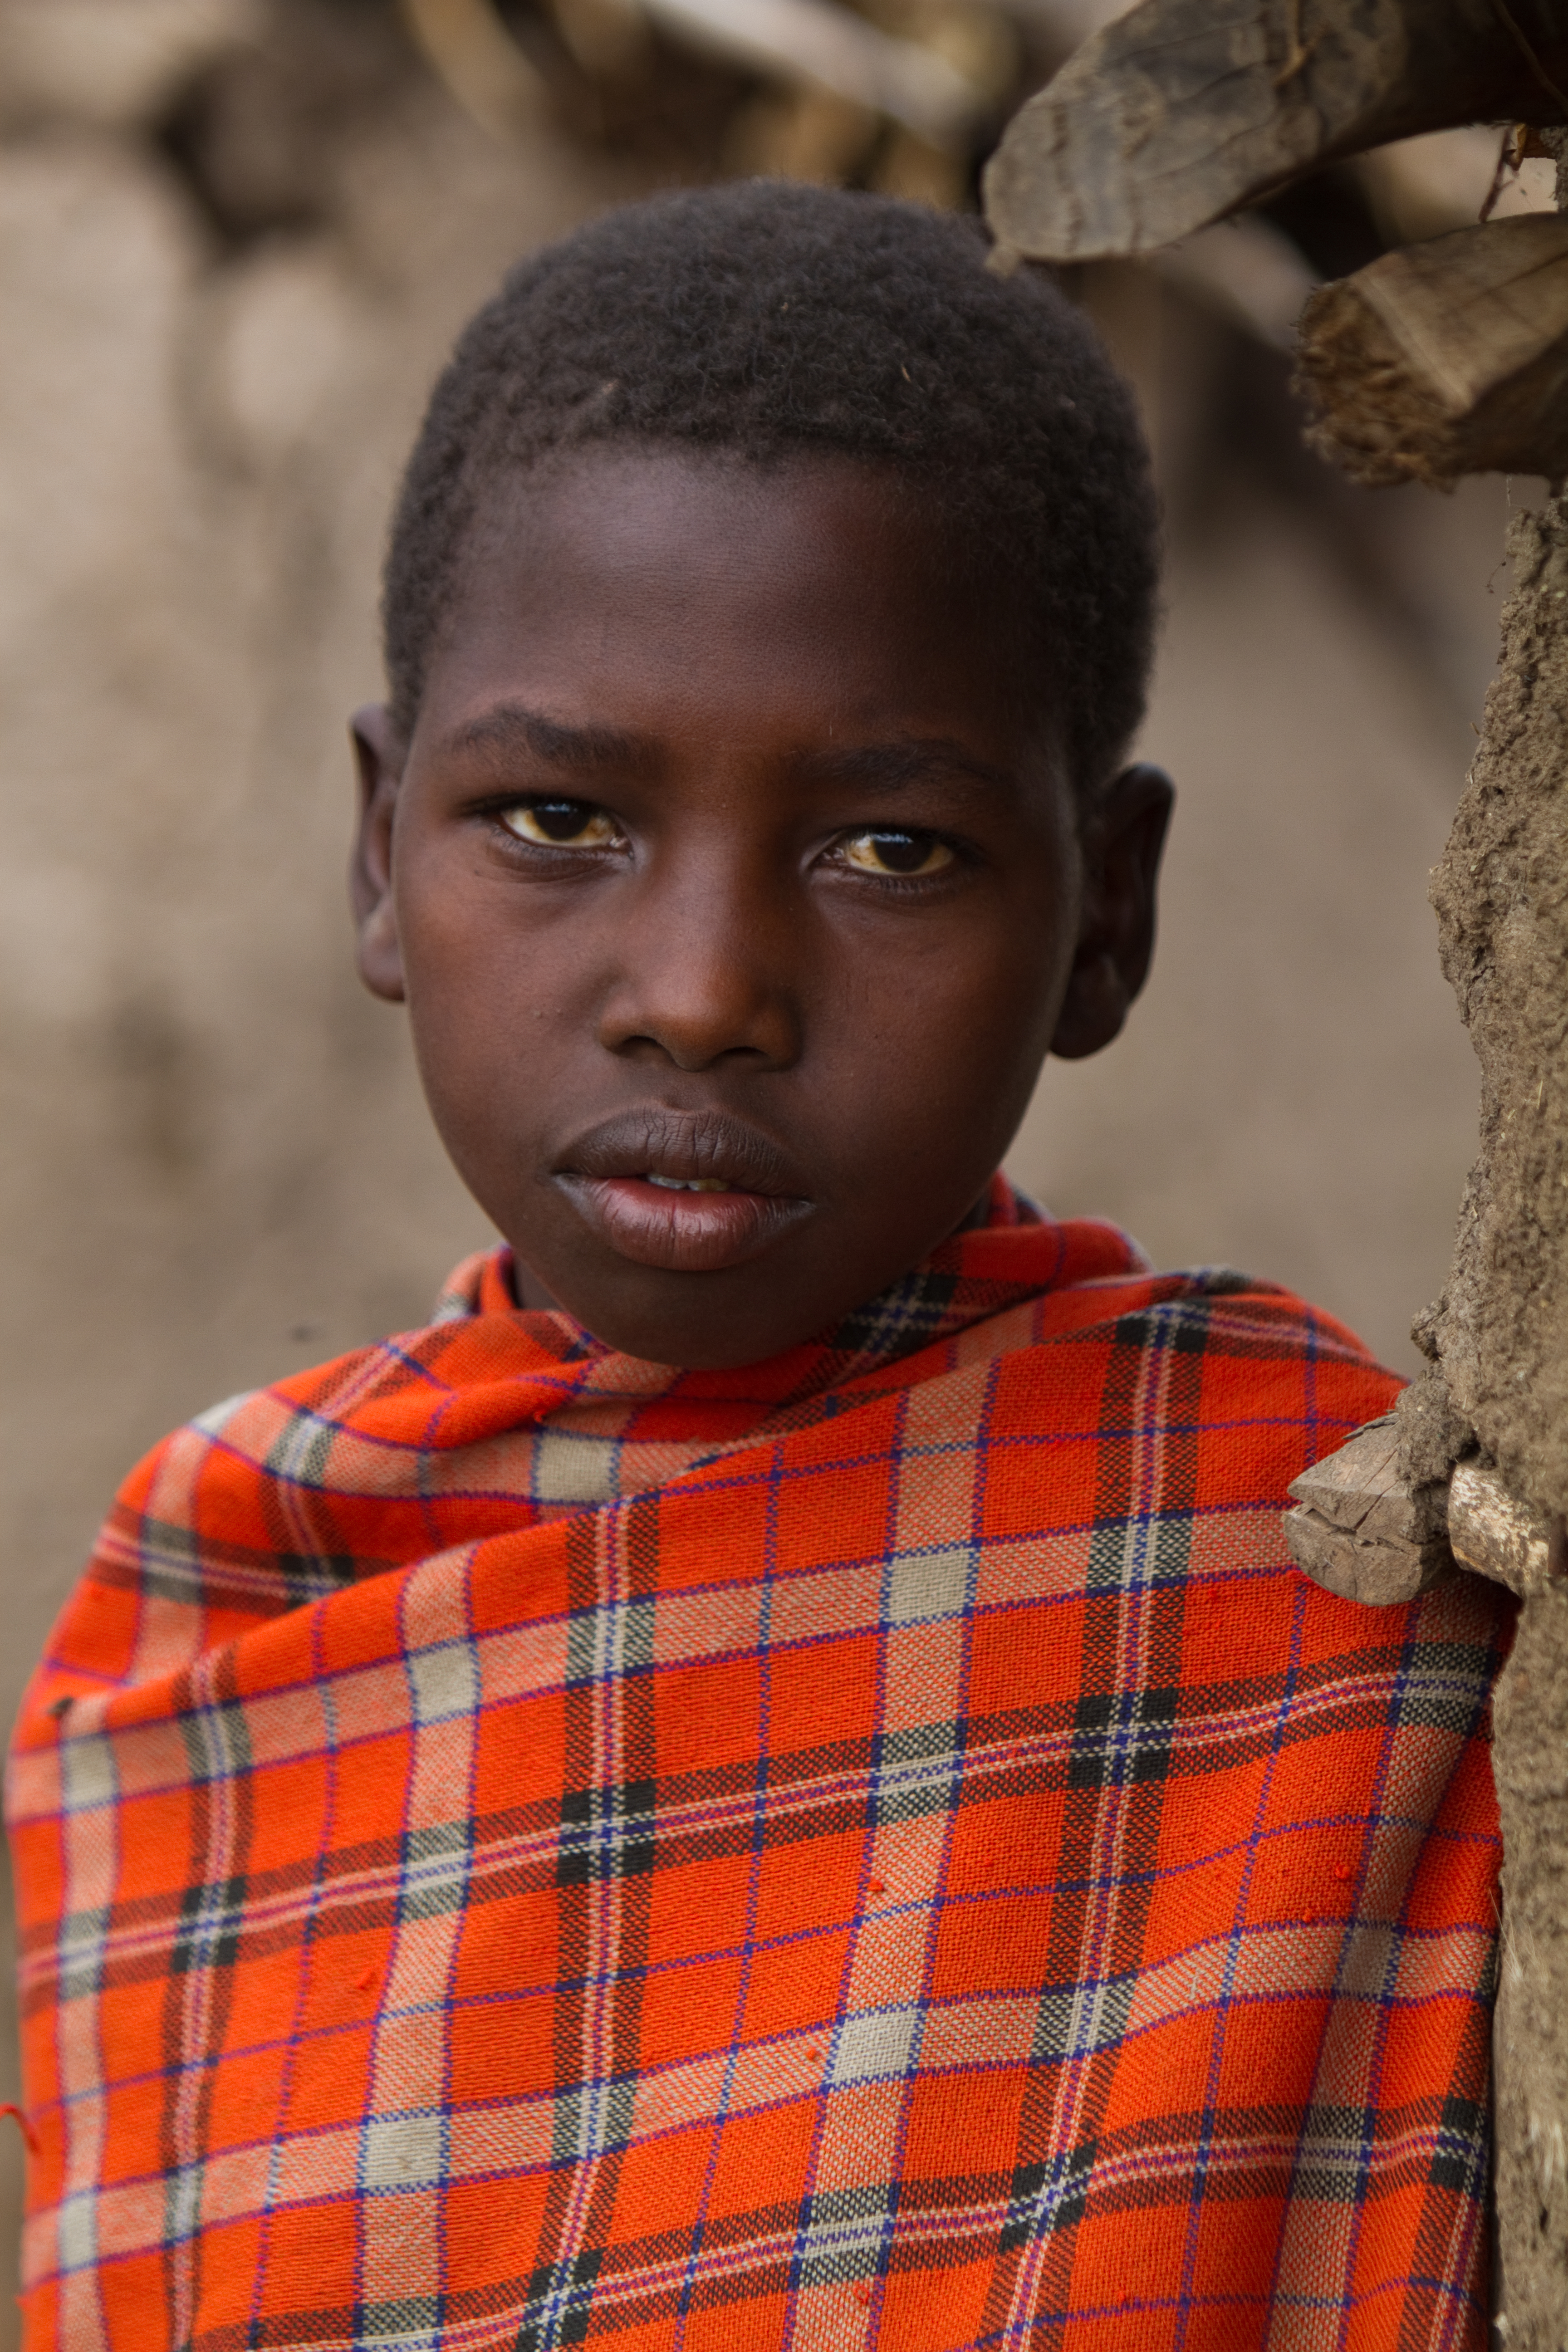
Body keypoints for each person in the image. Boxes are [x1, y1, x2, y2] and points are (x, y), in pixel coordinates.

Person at [8, 183, 1506, 2351]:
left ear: (1107, 917)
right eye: (555, 821)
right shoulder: (229, 1614)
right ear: (372, 852)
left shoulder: (1326, 1569)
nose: (702, 991)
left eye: (891, 850)